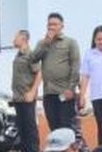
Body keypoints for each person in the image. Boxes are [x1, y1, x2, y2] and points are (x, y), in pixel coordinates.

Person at [32, 12, 82, 141]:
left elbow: (75, 66)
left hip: (65, 92)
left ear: (62, 26)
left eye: (54, 24)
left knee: (67, 126)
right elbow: (33, 58)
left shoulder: (70, 43)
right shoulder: (42, 43)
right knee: (54, 125)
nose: (51, 27)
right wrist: (46, 43)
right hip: (49, 92)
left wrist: (71, 88)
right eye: (49, 25)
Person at [10, 30, 42, 152]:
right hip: (18, 96)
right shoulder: (18, 55)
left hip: (27, 96)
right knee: (21, 125)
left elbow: (39, 73)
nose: (13, 40)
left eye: (16, 37)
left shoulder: (31, 55)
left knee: (30, 126)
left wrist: (33, 91)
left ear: (23, 39)